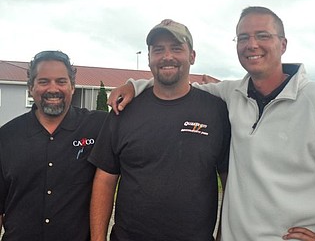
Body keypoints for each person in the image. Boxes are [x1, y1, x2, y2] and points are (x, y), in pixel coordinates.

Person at [107, 7, 315, 241]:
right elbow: (177, 87)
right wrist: (133, 85)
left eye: (263, 35)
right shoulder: (232, 93)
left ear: (283, 44)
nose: (252, 44)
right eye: (243, 38)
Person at [88, 19, 231, 241]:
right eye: (158, 50)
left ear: (192, 56)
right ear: (149, 58)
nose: (167, 56)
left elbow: (230, 182)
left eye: (176, 48)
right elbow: (105, 179)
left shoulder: (216, 111)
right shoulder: (123, 109)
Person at [0, 50, 107, 241]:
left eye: (61, 81)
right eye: (43, 82)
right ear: (30, 88)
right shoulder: (6, 136)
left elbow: (141, 112)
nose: (53, 88)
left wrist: (133, 86)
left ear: (72, 87)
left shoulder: (98, 126)